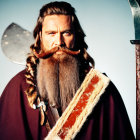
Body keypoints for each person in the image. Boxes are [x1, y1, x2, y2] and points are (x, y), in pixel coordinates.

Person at [0, 1, 135, 140]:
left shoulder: (99, 88)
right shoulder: (19, 86)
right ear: (40, 36)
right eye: (51, 33)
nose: (59, 42)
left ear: (76, 36)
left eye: (66, 33)